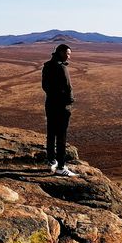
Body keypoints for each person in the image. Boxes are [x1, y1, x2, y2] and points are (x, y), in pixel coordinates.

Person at [41, 43, 76, 176]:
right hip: (61, 107)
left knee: (51, 132)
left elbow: (45, 86)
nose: (68, 57)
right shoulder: (61, 68)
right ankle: (61, 167)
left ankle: (51, 160)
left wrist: (54, 96)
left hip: (50, 104)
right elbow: (68, 88)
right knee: (61, 136)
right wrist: (68, 102)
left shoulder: (47, 66)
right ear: (61, 52)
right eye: (67, 54)